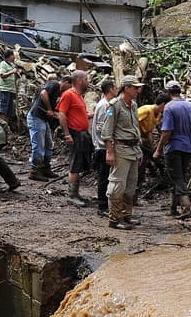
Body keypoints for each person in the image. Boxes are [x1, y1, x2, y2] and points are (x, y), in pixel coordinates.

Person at [101, 75, 144, 229]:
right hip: (121, 149)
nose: (138, 90)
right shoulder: (114, 105)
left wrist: (139, 150)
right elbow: (107, 131)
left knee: (131, 185)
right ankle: (114, 218)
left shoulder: (132, 105)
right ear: (127, 88)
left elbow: (135, 128)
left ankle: (126, 214)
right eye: (135, 87)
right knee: (117, 185)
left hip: (133, 149)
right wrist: (109, 152)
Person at [154, 80, 191, 217]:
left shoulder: (169, 107)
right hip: (188, 147)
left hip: (174, 147)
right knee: (178, 177)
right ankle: (173, 209)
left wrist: (158, 150)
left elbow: (167, 132)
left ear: (168, 93)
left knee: (177, 178)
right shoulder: (190, 106)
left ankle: (186, 207)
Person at [57, 70, 92, 203]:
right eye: (86, 79)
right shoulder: (68, 94)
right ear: (79, 80)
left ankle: (76, 193)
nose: (88, 82)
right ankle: (72, 195)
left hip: (82, 134)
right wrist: (67, 134)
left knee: (80, 163)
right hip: (74, 133)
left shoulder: (79, 96)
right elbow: (61, 114)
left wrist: (91, 115)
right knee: (75, 162)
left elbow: (78, 114)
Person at [90, 77, 116, 216]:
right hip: (102, 147)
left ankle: (105, 203)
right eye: (115, 87)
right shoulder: (104, 105)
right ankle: (102, 206)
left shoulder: (107, 104)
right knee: (103, 177)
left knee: (105, 176)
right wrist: (109, 141)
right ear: (111, 89)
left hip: (103, 146)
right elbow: (101, 127)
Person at [28, 79, 62, 182]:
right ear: (67, 83)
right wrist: (49, 109)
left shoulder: (60, 93)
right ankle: (34, 171)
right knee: (39, 145)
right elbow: (43, 93)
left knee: (48, 144)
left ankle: (45, 168)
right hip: (36, 116)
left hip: (44, 118)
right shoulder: (55, 84)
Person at [0, 47, 20, 128]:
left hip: (10, 90)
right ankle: (1, 127)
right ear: (10, 56)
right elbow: (2, 75)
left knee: (8, 111)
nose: (15, 57)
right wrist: (12, 72)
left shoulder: (12, 65)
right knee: (3, 110)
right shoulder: (3, 64)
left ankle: (6, 127)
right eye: (13, 55)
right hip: (4, 90)